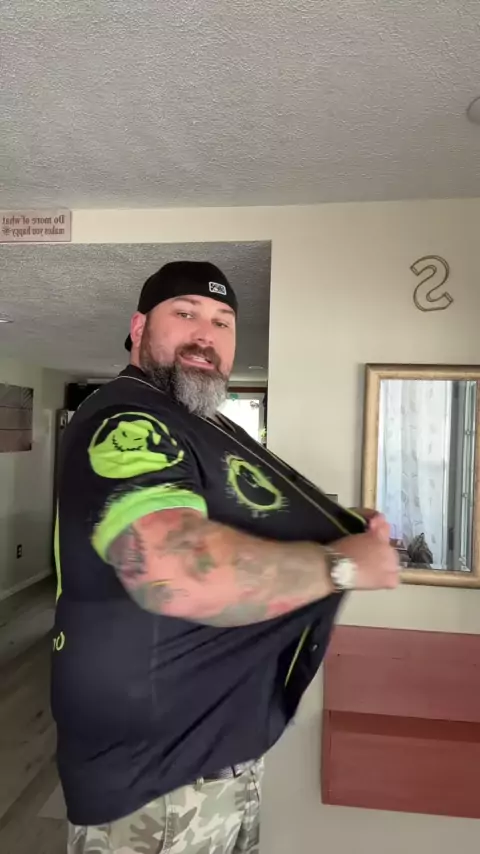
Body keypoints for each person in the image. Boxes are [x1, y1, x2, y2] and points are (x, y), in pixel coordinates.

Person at [52, 261, 399, 854]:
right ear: (138, 328)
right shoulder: (128, 417)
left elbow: (236, 519)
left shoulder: (201, 425)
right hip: (155, 793)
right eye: (185, 313)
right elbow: (174, 573)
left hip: (219, 768)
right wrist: (339, 564)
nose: (205, 335)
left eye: (222, 321)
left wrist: (332, 526)